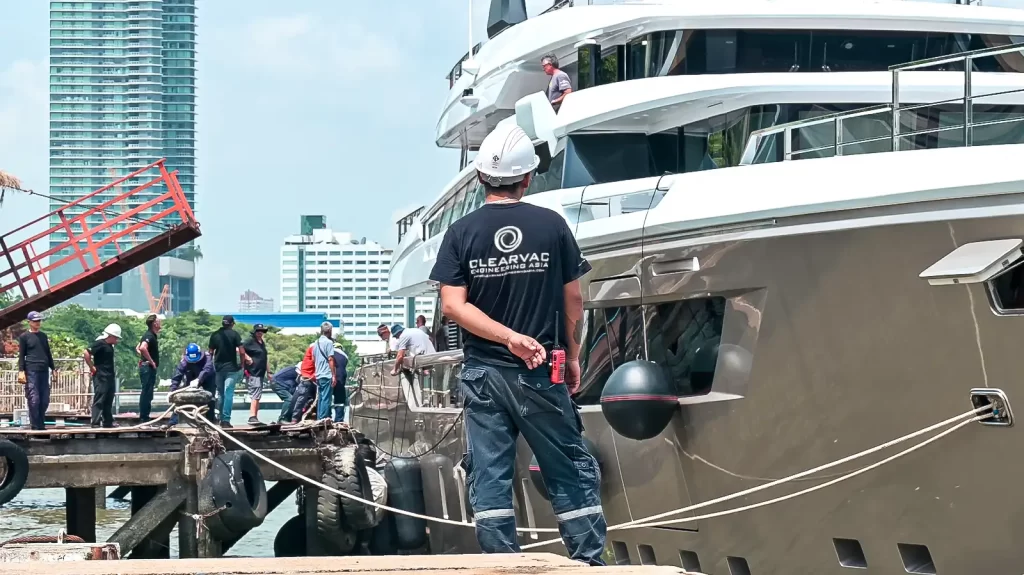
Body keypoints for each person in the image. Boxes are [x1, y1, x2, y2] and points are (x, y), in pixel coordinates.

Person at [428, 123, 605, 564]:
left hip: (483, 374)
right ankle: (587, 563)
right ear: (528, 178)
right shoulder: (551, 225)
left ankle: (502, 563)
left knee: (490, 471)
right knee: (567, 464)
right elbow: (573, 300)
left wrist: (505, 339)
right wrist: (574, 355)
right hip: (540, 370)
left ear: (482, 177)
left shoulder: (461, 232)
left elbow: (453, 306)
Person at [17, 311, 55, 430]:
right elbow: (21, 355)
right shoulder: (24, 337)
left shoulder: (43, 336)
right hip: (31, 369)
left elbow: (48, 353)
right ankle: (35, 425)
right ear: (29, 322)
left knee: (44, 399)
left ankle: (41, 423)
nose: (37, 323)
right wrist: (21, 370)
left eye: (39, 321)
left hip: (44, 369)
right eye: (35, 321)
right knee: (34, 399)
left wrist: (53, 368)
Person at [208, 315, 248, 428]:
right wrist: (242, 363)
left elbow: (210, 352)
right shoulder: (235, 334)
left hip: (218, 369)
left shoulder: (215, 335)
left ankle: (220, 418)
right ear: (232, 324)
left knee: (220, 394)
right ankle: (226, 420)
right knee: (229, 393)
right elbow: (242, 351)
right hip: (232, 368)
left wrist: (210, 366)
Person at [165, 343, 215, 427]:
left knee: (210, 398)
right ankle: (172, 422)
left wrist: (199, 379)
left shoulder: (207, 357)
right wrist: (172, 390)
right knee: (184, 398)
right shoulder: (184, 361)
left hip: (208, 378)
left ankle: (209, 422)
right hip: (191, 377)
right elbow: (177, 376)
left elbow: (207, 369)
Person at [84, 323, 122, 429]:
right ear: (110, 336)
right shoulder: (99, 343)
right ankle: (95, 422)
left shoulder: (109, 346)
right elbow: (86, 353)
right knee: (100, 398)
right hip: (101, 376)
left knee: (108, 398)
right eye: (116, 338)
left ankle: (107, 421)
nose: (117, 340)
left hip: (109, 376)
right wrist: (92, 367)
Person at [242, 323, 269, 426]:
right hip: (253, 372)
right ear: (255, 332)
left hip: (261, 372)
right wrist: (247, 358)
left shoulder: (262, 343)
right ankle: (252, 416)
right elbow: (238, 348)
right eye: (258, 331)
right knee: (255, 394)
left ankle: (255, 416)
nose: (260, 333)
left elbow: (265, 357)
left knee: (258, 395)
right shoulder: (250, 341)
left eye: (261, 331)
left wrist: (269, 371)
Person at [136, 314, 161, 422]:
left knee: (149, 392)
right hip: (147, 367)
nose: (160, 322)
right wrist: (150, 361)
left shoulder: (151, 336)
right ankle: (144, 417)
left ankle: (145, 416)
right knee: (146, 392)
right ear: (154, 323)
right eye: (158, 321)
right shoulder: (149, 335)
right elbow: (142, 348)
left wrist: (143, 357)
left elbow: (138, 348)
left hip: (147, 366)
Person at [312, 321, 337, 420]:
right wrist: (334, 375)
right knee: (326, 399)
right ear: (330, 331)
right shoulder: (329, 342)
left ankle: (319, 418)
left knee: (321, 398)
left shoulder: (316, 342)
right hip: (326, 374)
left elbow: (313, 359)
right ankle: (323, 419)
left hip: (318, 374)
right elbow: (330, 359)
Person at [332, 343, 349, 423]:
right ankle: (338, 420)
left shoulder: (329, 352)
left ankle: (324, 417)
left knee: (324, 399)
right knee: (340, 401)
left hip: (329, 377)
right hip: (340, 379)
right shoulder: (344, 356)